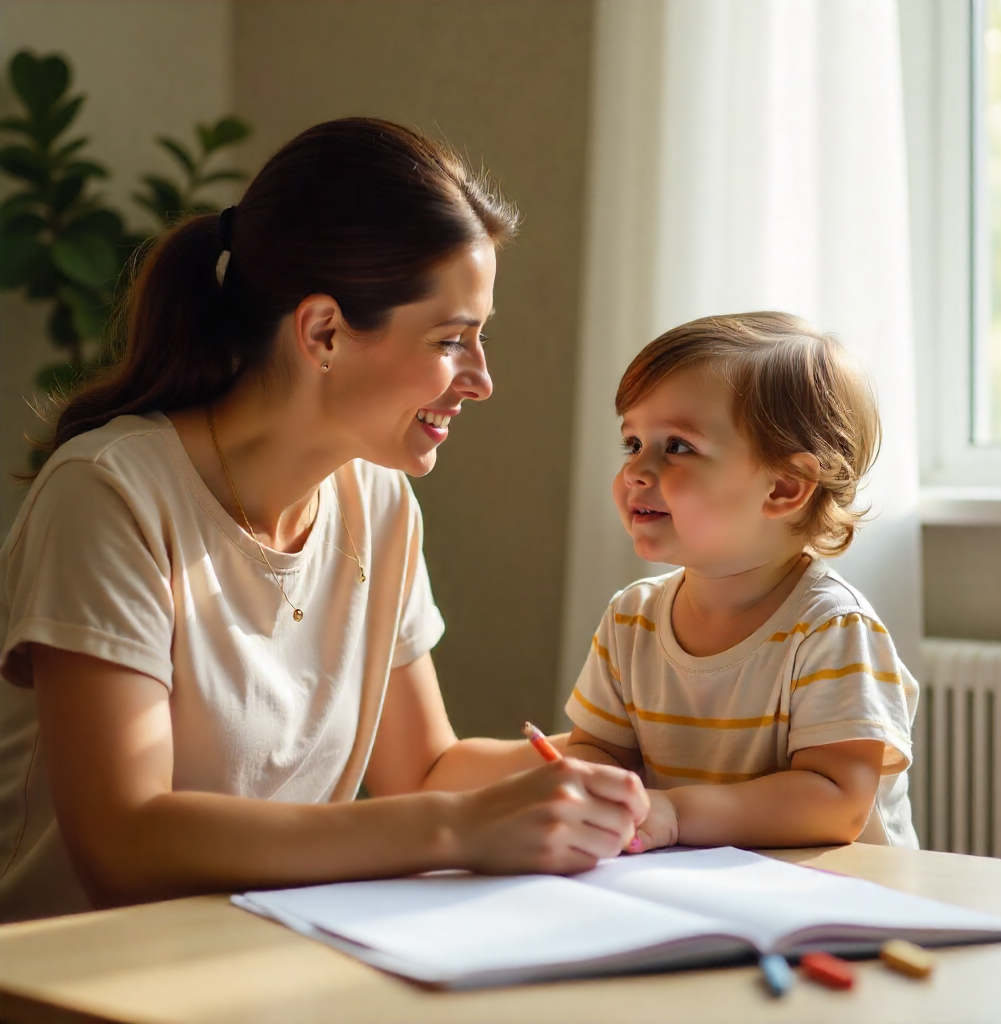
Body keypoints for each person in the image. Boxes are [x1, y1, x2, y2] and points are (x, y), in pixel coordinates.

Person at [0, 118, 648, 923]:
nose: (481, 379)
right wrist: (457, 828)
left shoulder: (378, 501)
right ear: (323, 332)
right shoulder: (108, 495)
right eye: (453, 340)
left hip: (272, 958)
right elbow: (122, 845)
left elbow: (425, 770)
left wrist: (641, 749)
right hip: (72, 973)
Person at [565, 312, 919, 851]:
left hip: (834, 892)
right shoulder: (630, 619)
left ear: (783, 488)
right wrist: (593, 789)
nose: (635, 470)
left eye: (677, 446)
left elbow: (836, 803)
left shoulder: (830, 628)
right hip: (691, 886)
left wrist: (676, 813)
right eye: (632, 443)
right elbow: (599, 751)